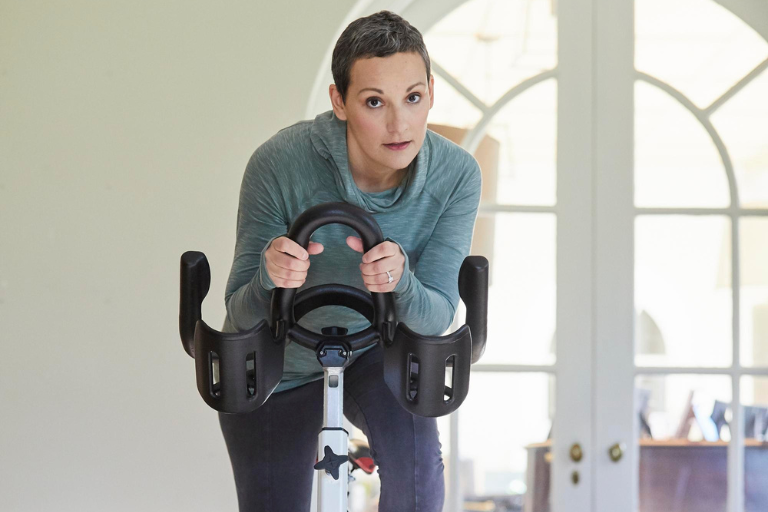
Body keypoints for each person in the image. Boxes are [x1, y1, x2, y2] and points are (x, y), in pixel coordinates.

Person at [219, 10, 481, 512]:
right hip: (279, 363)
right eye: (374, 102)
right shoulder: (277, 163)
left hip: (374, 351)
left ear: (430, 89)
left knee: (418, 482)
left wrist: (401, 282)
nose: (399, 123)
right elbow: (239, 315)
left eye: (413, 98)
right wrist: (268, 279)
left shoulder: (456, 176)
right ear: (339, 101)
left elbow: (437, 316)